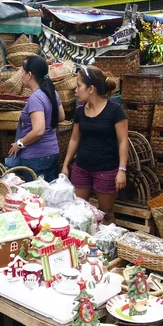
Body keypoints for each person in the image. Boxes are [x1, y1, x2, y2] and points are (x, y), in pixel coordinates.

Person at [62, 66, 128, 225]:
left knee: (106, 213)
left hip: (106, 170)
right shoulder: (79, 111)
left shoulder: (115, 110)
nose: (76, 90)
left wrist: (122, 170)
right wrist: (66, 165)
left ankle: (107, 245)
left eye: (78, 85)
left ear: (91, 88)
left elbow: (123, 141)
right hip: (81, 168)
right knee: (79, 211)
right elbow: (74, 140)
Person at [8, 55, 65, 182]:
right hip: (52, 152)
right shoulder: (52, 93)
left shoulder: (35, 98)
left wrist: (20, 143)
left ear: (29, 75)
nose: (21, 75)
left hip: (36, 157)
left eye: (22, 71)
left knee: (35, 197)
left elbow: (39, 130)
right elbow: (61, 117)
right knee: (49, 195)